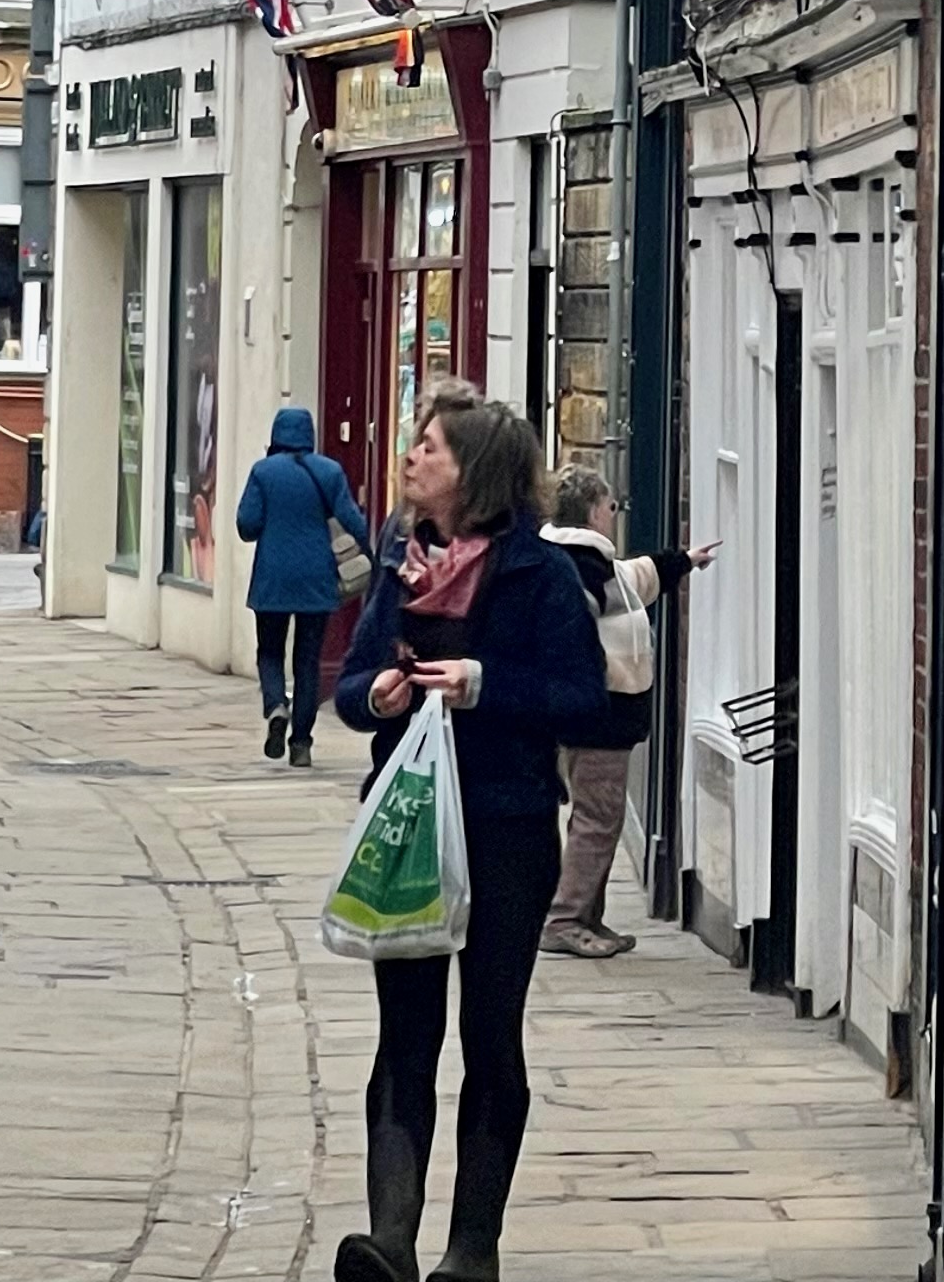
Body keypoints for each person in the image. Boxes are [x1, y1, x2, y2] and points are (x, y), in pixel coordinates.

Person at [331, 385, 625, 1282]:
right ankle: (390, 1241)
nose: (412, 456)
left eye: (433, 446)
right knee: (404, 1034)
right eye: (416, 442)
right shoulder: (400, 561)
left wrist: (484, 685)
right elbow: (351, 686)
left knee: (491, 1032)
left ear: (478, 472)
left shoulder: (541, 575)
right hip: (411, 827)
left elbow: (589, 703)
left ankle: (472, 1251)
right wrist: (379, 695)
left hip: (506, 828)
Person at [534, 466, 716, 957]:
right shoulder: (580, 567)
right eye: (611, 506)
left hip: (598, 715)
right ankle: (565, 919)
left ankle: (587, 918)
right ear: (595, 511)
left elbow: (638, 577)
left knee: (596, 817)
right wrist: (594, 682)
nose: (615, 515)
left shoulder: (591, 562)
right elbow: (571, 635)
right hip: (600, 717)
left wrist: (684, 561)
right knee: (597, 818)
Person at [233, 399, 372, 766]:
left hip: (273, 577)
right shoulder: (329, 471)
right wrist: (372, 553)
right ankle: (301, 744)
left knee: (269, 651)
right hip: (317, 578)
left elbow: (247, 525)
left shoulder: (263, 472)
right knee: (308, 661)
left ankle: (276, 705)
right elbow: (351, 519)